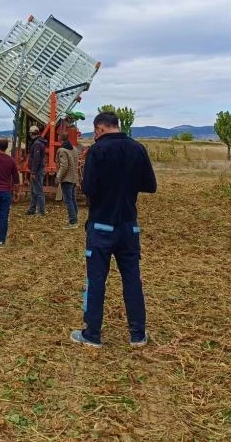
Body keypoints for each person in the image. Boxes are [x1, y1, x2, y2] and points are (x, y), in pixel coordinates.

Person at [71, 111, 157, 348]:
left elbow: (89, 188)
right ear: (117, 125)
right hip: (129, 226)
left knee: (96, 279)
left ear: (99, 129)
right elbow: (150, 185)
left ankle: (92, 334)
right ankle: (138, 334)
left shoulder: (97, 151)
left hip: (101, 225)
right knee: (132, 279)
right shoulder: (137, 148)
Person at [56, 132, 80, 229]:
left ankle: (73, 222)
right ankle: (74, 219)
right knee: (73, 200)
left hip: (66, 179)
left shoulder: (62, 150)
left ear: (60, 138)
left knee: (68, 201)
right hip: (74, 178)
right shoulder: (74, 148)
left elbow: (64, 166)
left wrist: (58, 177)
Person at [26, 125, 47, 216]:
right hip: (37, 170)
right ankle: (32, 209)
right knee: (33, 191)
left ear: (31, 133)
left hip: (37, 171)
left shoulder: (37, 144)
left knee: (38, 191)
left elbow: (36, 159)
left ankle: (41, 212)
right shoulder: (39, 142)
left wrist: (33, 171)